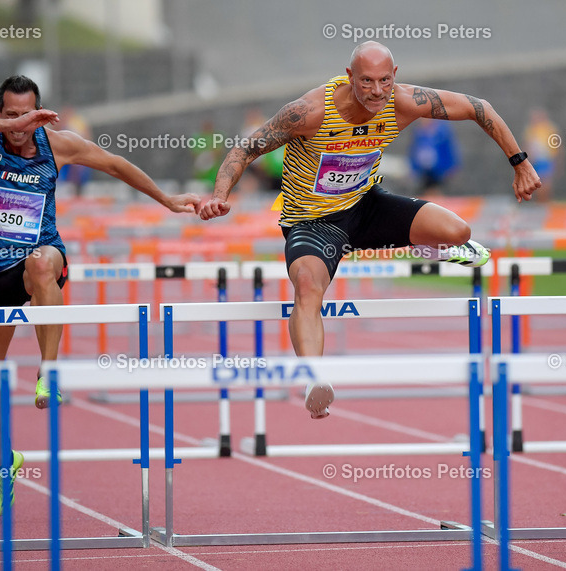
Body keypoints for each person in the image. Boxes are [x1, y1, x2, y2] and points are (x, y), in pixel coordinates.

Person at [198, 41, 541, 418]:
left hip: (367, 207)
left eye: (384, 81)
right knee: (309, 288)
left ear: (396, 76)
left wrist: (520, 164)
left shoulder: (404, 101)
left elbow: (480, 108)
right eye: (366, 82)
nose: (377, 91)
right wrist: (219, 194)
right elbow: (245, 149)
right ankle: (314, 378)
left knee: (458, 231)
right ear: (349, 77)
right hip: (315, 223)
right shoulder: (309, 112)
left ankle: (431, 246)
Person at [0, 75, 199, 516]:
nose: (21, 123)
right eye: (11, 114)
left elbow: (115, 164)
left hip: (41, 257)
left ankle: (50, 370)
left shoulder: (56, 145)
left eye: (28, 113)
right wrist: (4, 126)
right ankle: (5, 463)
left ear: (41, 111)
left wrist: (167, 200)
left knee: (43, 264)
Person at [408, 118, 460, 195]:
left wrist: (452, 167)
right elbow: (413, 151)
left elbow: (449, 150)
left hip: (440, 170)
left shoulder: (442, 132)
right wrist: (413, 169)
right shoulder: (418, 133)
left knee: (436, 191)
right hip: (423, 171)